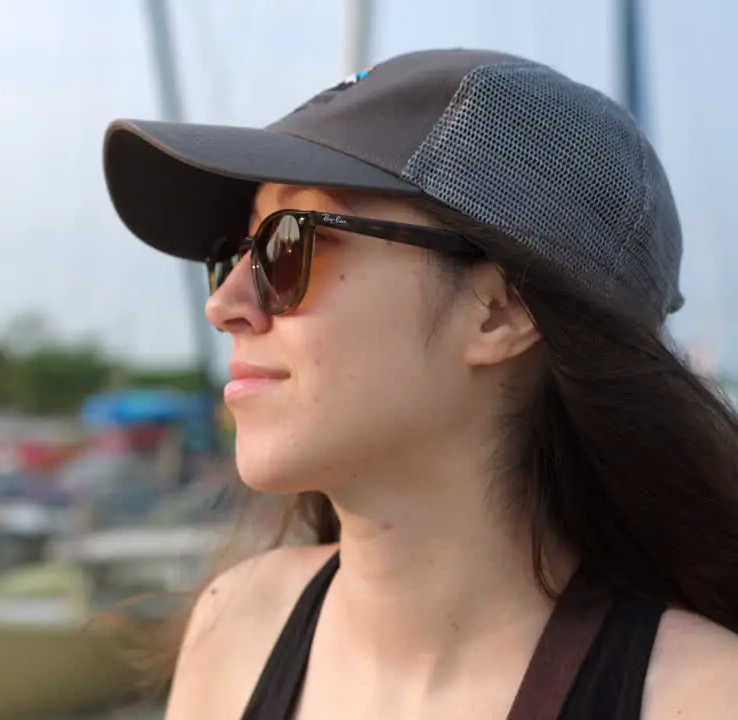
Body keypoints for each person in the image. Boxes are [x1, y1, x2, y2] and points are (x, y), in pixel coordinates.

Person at [101, 48, 738, 719]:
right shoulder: (237, 626)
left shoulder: (700, 699)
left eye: (291, 243)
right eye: (235, 254)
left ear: (500, 310)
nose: (226, 303)